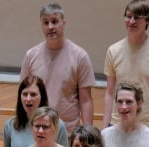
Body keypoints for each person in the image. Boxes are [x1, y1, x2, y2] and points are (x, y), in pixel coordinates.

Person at [103, 0, 149, 139]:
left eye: (137, 17)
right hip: (118, 124)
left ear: (147, 20)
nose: (132, 21)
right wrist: (105, 126)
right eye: (128, 16)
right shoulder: (113, 51)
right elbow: (110, 93)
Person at [20, 2, 95, 133]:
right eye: (46, 22)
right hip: (38, 130)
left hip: (68, 132)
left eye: (54, 22)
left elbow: (86, 100)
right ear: (41, 25)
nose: (50, 27)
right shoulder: (31, 55)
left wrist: (88, 132)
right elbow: (23, 96)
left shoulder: (80, 56)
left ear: (63, 23)